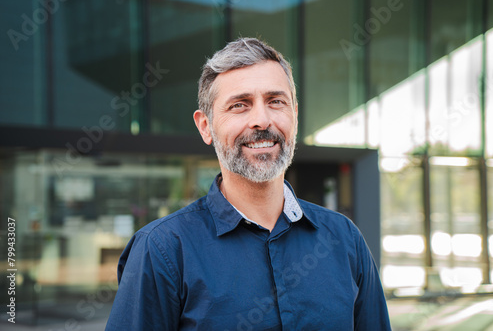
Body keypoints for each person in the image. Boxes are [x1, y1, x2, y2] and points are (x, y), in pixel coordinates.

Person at [105, 37, 391, 331]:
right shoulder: (161, 250)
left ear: (295, 114)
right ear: (206, 126)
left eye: (275, 101)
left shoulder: (344, 239)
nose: (261, 120)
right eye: (240, 105)